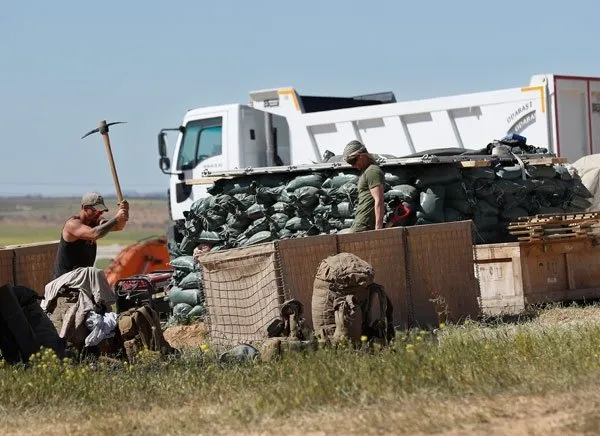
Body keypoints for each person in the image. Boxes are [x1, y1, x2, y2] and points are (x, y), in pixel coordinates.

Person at [53, 192, 129, 279]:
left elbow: (118, 226)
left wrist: (124, 215)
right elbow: (94, 234)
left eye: (101, 211)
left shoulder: (95, 221)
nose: (99, 214)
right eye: (95, 211)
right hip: (67, 280)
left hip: (83, 278)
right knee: (98, 275)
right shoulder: (72, 224)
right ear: (85, 208)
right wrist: (116, 218)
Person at [342, 140, 385, 232]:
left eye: (353, 161)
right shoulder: (365, 171)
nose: (353, 165)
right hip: (360, 222)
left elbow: (379, 200)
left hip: (364, 225)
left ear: (361, 156)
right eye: (350, 163)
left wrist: (378, 229)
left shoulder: (372, 171)